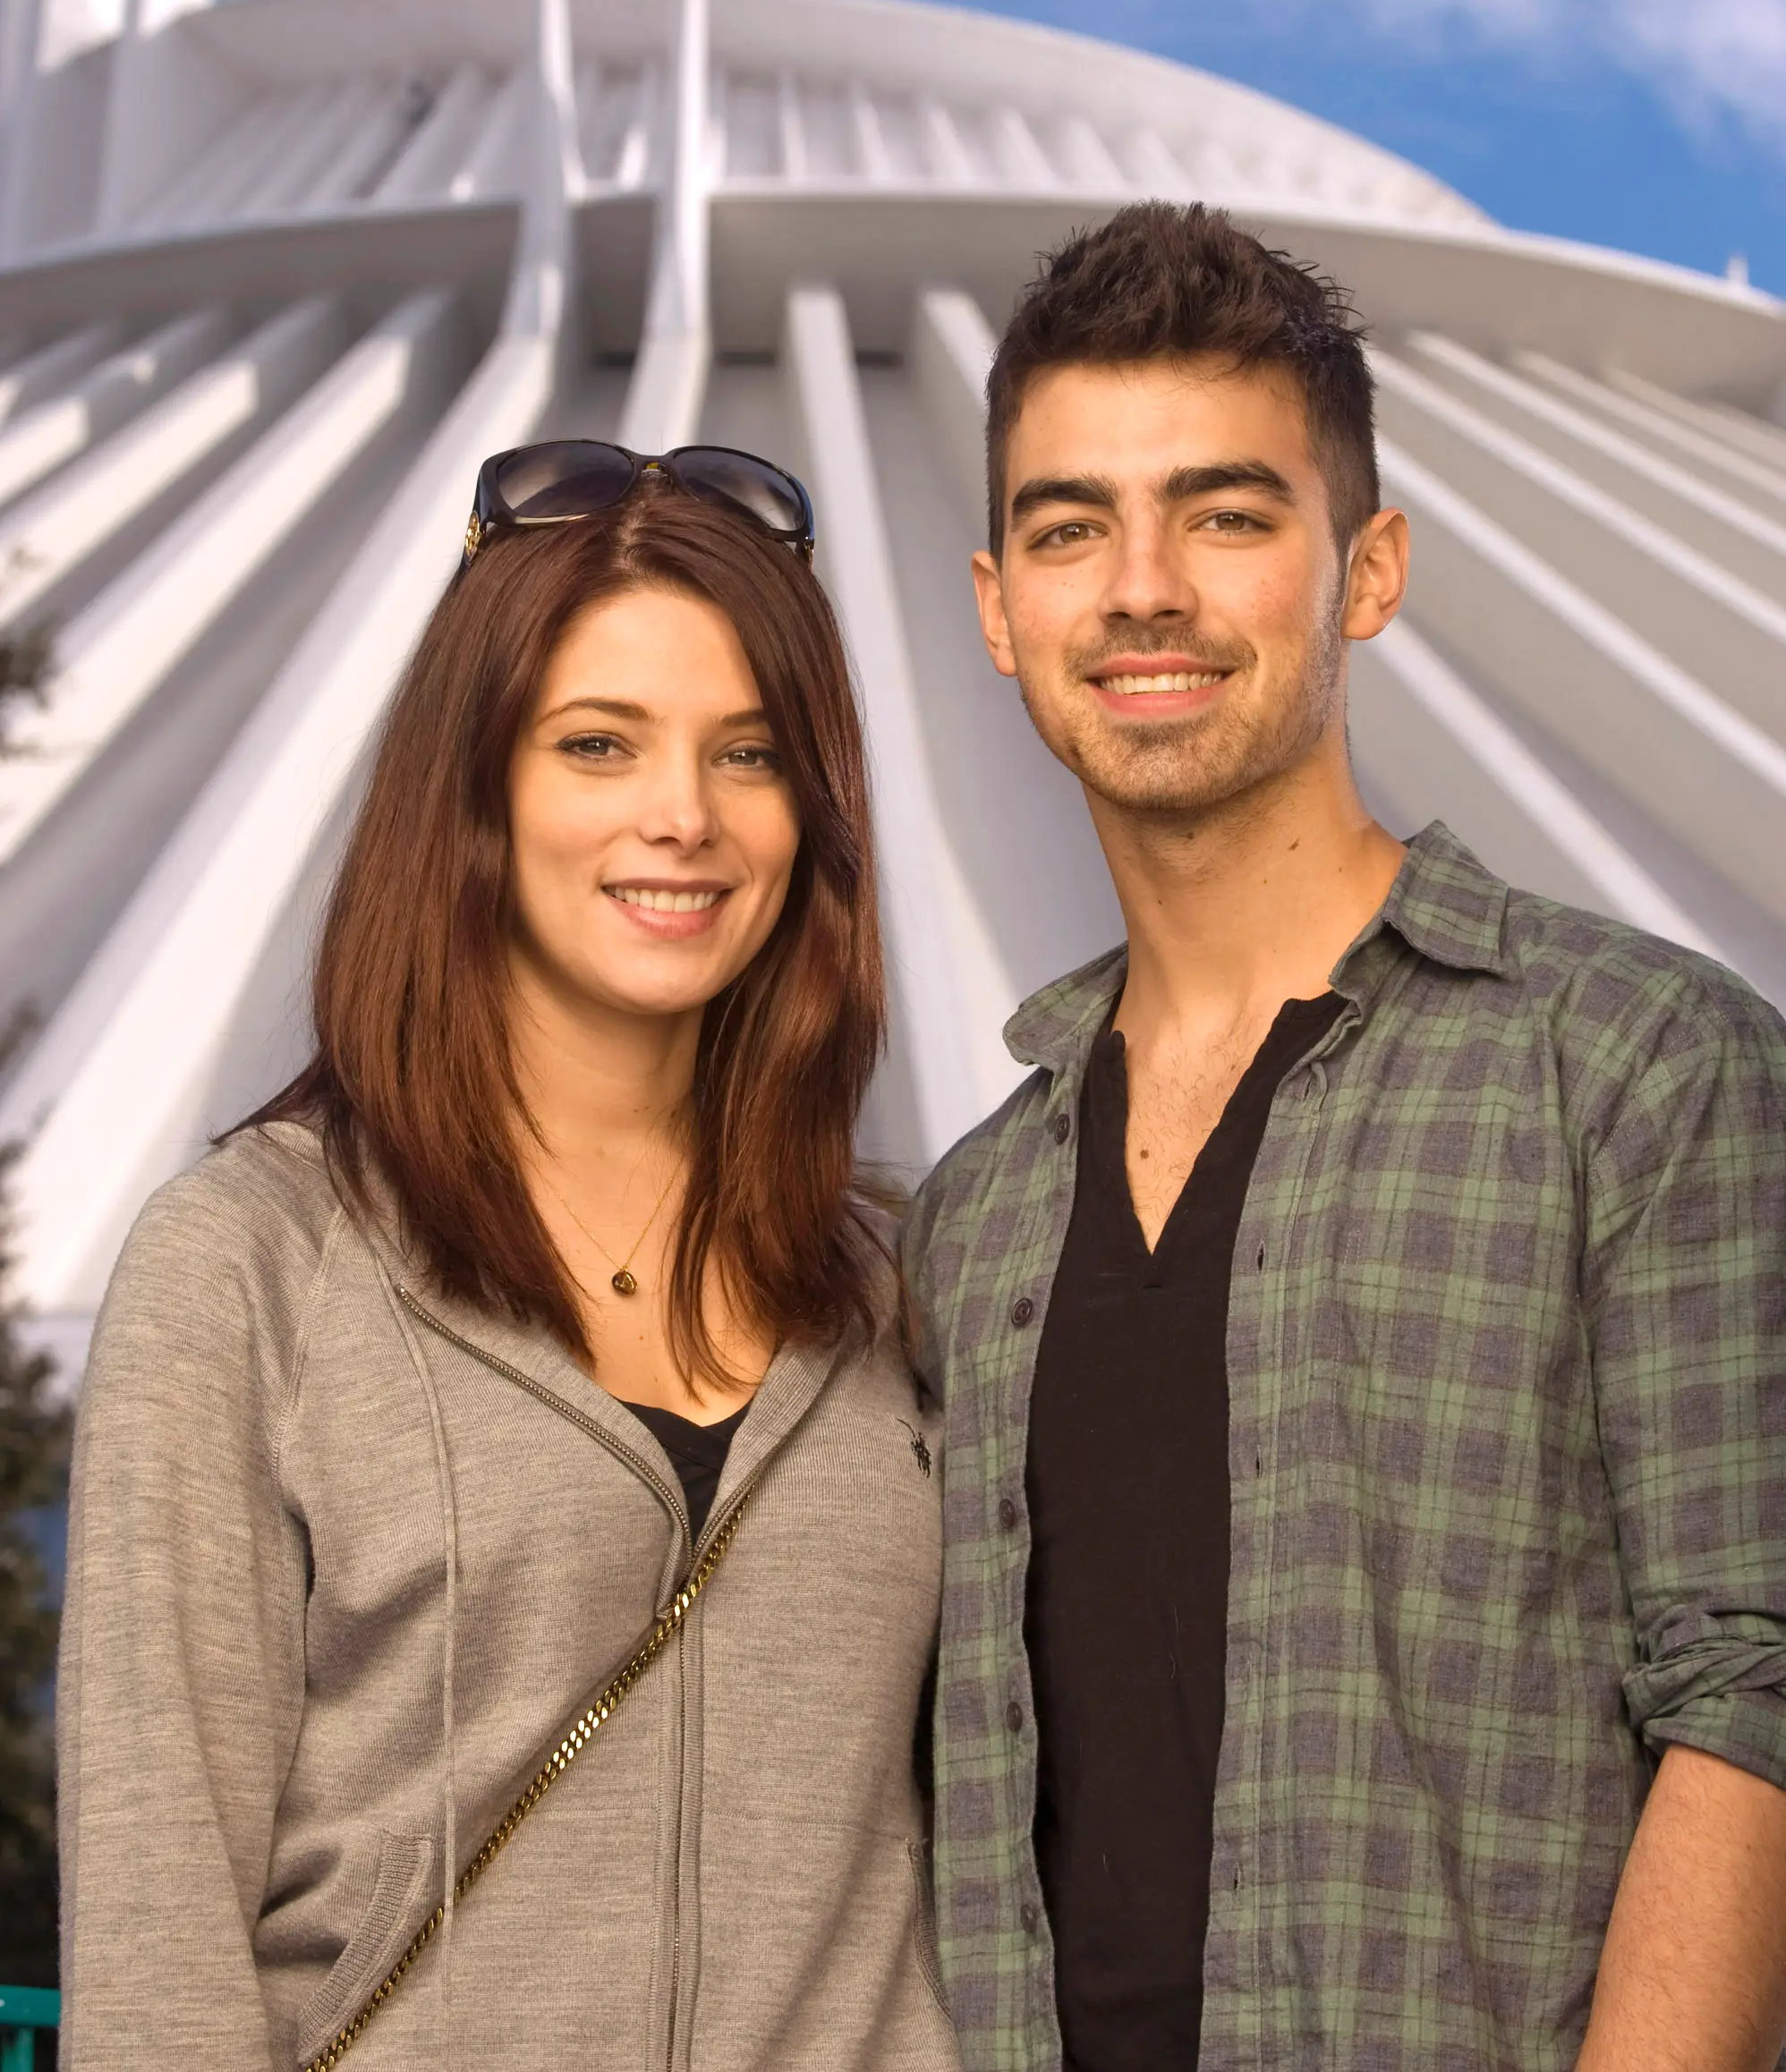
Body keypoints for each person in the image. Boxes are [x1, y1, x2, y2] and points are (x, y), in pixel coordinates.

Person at [904, 204, 1786, 2072]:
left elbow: (1748, 1687)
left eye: (1224, 515)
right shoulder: (973, 1215)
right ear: (997, 610)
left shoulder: (1633, 1070)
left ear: (1363, 570)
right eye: (1070, 527)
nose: (1139, 588)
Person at [59, 440, 961, 2072]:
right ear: (476, 784)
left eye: (748, 754)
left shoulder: (901, 1287)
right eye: (597, 744)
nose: (681, 817)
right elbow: (155, 1926)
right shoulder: (253, 1268)